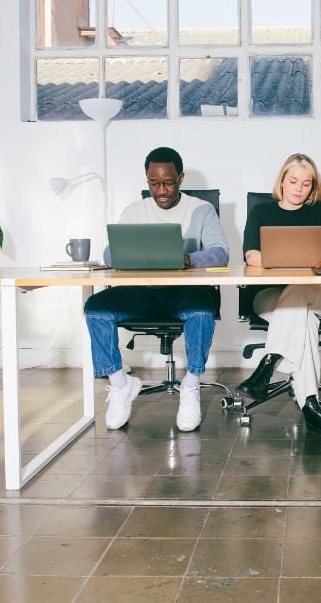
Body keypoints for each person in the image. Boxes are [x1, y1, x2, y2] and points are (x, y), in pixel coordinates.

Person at [84, 147, 229, 432]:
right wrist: (131, 255)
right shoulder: (134, 211)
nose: (161, 190)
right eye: (154, 183)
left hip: (184, 292)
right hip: (141, 293)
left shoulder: (201, 209)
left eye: (168, 182)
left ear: (181, 178)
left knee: (201, 310)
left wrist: (189, 259)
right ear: (147, 180)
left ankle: (191, 384)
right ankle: (120, 384)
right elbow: (110, 256)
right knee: (96, 309)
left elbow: (221, 253)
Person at [238, 153, 321, 439]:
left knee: (302, 292)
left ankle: (269, 364)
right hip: (270, 297)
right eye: (293, 181)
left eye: (306, 184)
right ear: (281, 181)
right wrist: (285, 258)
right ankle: (312, 407)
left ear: (313, 186)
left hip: (319, 296)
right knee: (303, 320)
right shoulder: (261, 214)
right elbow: (251, 256)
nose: (298, 189)